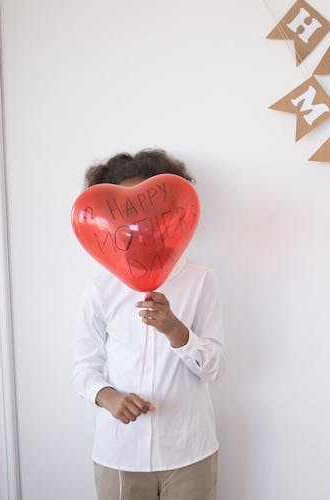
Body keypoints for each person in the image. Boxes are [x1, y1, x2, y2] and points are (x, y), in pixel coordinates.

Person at [73, 149, 225, 500]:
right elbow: (84, 366)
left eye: (150, 212)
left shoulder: (201, 281)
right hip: (119, 454)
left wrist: (176, 331)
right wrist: (107, 396)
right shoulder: (100, 289)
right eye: (127, 216)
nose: (140, 224)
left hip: (189, 452)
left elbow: (215, 367)